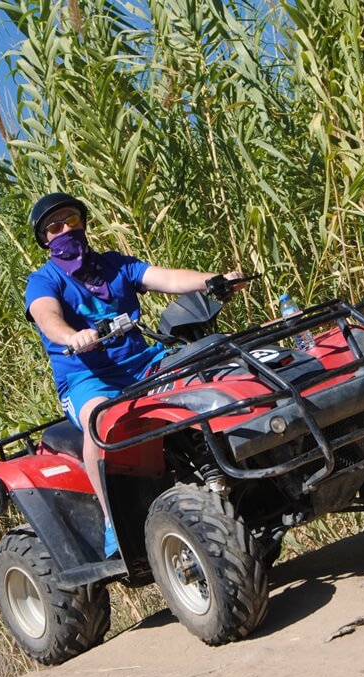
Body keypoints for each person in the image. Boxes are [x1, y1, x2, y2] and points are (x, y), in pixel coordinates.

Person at [24, 192, 243, 557]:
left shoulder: (115, 265)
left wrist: (213, 280)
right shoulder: (44, 280)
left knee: (205, 373)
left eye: (71, 220)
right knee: (99, 421)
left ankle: (229, 465)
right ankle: (113, 522)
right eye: (54, 226)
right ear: (45, 239)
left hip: (144, 364)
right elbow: (47, 317)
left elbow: (167, 278)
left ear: (83, 223)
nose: (65, 230)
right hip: (87, 378)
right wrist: (73, 336)